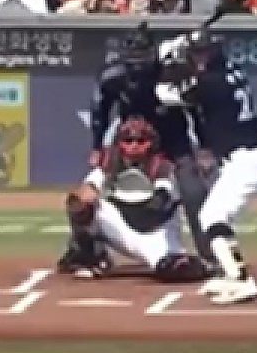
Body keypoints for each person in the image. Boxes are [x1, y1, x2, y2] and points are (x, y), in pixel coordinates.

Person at [57, 23, 215, 276]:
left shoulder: (173, 74)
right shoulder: (112, 77)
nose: (138, 69)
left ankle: (210, 255)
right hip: (132, 133)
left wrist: (204, 147)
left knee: (193, 190)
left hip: (172, 134)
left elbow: (196, 110)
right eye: (133, 62)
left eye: (143, 62)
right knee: (82, 203)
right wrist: (97, 146)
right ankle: (85, 250)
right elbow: (100, 111)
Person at [156, 29, 257, 305]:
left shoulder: (211, 83)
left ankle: (241, 279)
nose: (196, 58)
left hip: (249, 160)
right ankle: (231, 273)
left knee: (213, 216)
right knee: (213, 216)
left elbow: (165, 94)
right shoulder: (227, 71)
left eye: (200, 53)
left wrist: (167, 57)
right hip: (243, 156)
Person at [62, 116, 211, 282]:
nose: (134, 146)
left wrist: (155, 202)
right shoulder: (111, 163)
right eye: (128, 140)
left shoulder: (162, 166)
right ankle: (91, 256)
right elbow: (86, 189)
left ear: (151, 143)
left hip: (155, 232)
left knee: (174, 269)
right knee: (79, 204)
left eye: (141, 141)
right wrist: (89, 191)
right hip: (120, 226)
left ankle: (203, 264)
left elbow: (160, 202)